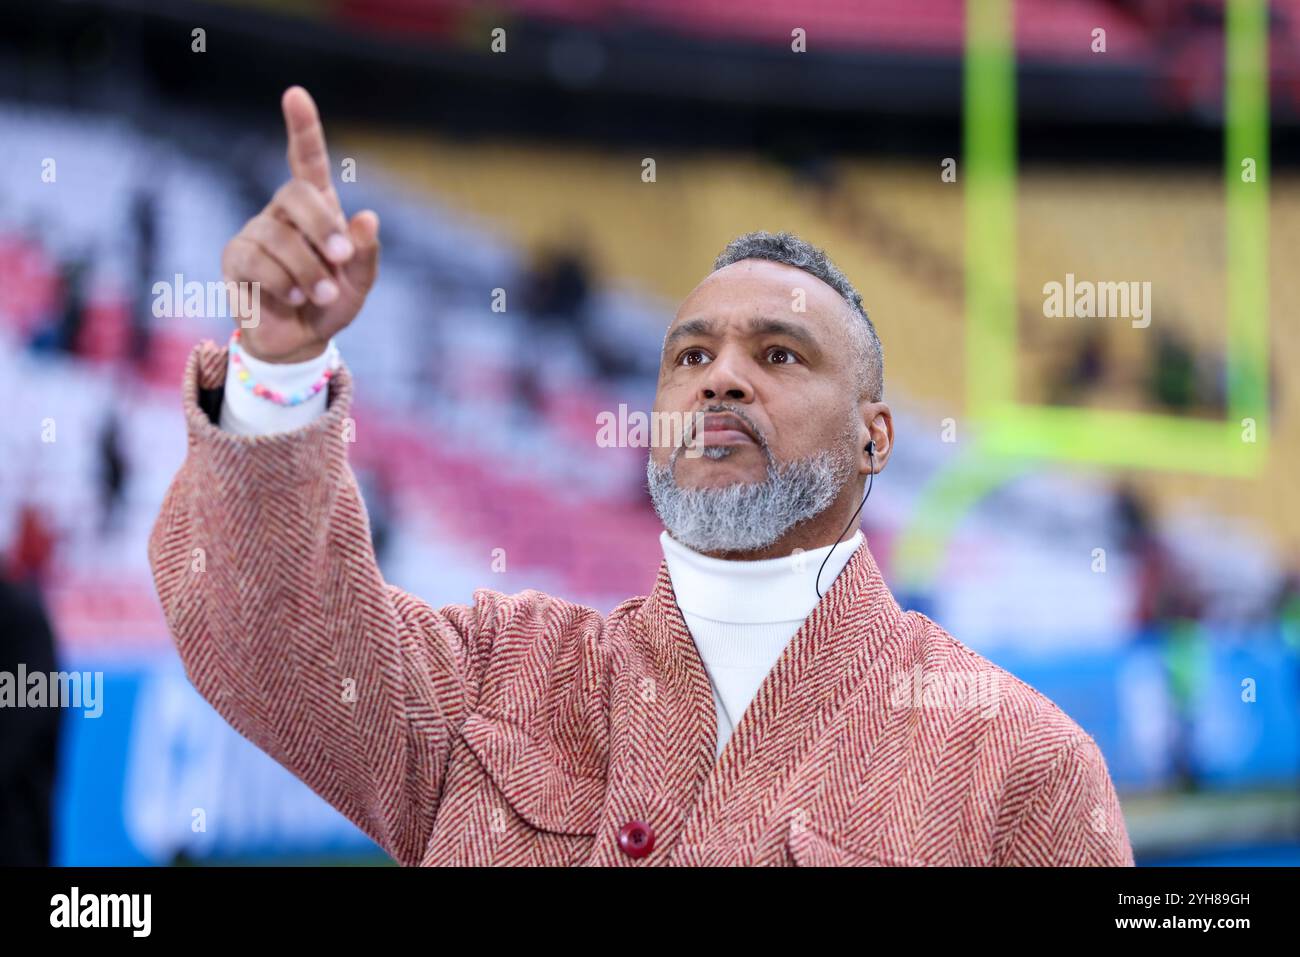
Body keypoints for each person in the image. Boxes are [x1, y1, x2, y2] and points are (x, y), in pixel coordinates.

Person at [148, 86, 1134, 866]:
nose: (721, 380)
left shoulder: (1018, 766)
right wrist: (276, 365)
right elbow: (269, 643)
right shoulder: (502, 674)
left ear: (875, 438)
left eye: (780, 356)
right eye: (689, 357)